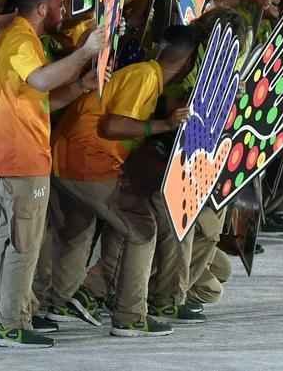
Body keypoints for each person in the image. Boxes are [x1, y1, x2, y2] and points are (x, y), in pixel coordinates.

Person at [0, 0, 106, 348]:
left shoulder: (19, 37)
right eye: (60, 1)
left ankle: (12, 313)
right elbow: (42, 81)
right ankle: (10, 324)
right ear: (43, 4)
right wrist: (85, 52)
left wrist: (81, 86)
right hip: (18, 160)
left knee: (12, 240)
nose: (64, 10)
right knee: (22, 244)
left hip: (10, 157)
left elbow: (39, 101)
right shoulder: (18, 39)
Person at [46, 25, 198, 337]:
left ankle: (57, 300)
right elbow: (113, 126)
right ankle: (130, 316)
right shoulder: (145, 76)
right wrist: (163, 125)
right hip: (86, 161)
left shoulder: (146, 74)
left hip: (65, 157)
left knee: (78, 228)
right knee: (142, 227)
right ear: (188, 63)